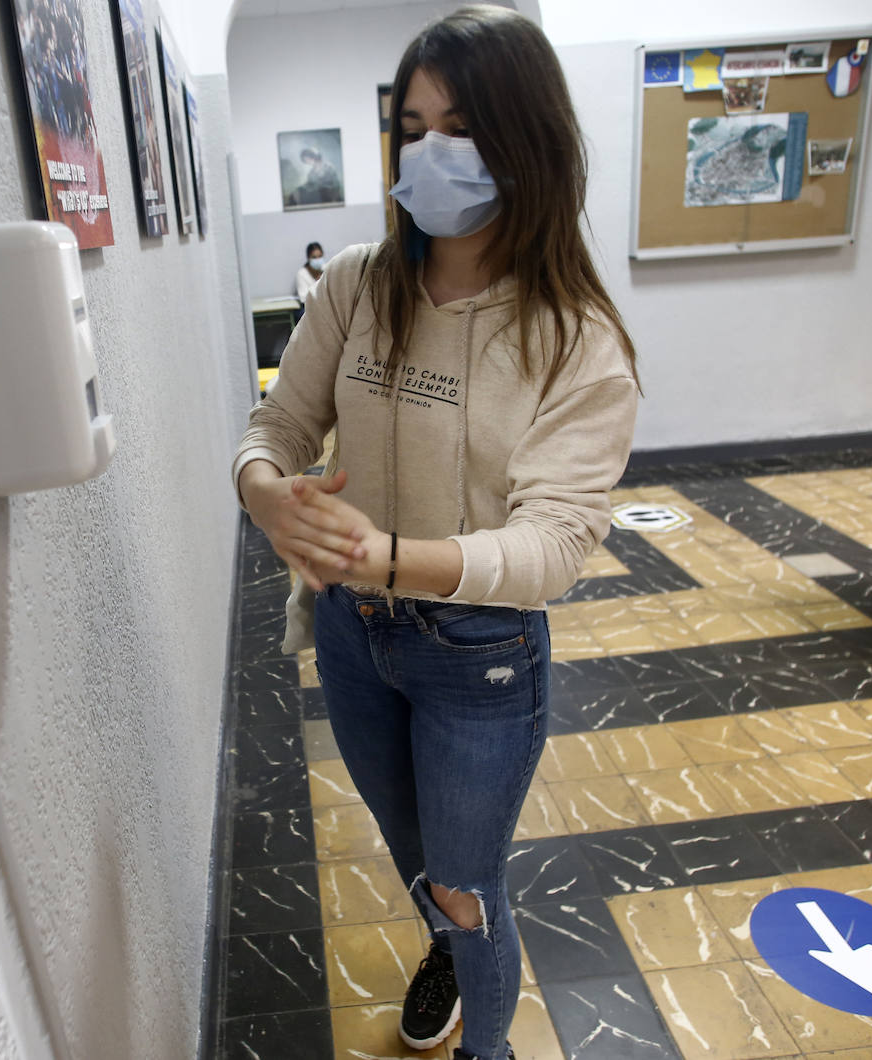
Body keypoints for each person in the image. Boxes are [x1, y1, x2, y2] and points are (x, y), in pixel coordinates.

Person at [231, 8, 639, 1059]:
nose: (431, 152)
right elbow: (277, 422)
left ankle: (484, 1046)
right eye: (412, 127)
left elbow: (552, 548)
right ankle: (447, 951)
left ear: (526, 138)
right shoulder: (362, 283)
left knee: (466, 884)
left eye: (460, 126)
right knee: (420, 863)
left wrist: (390, 556)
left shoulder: (574, 338)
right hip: (356, 637)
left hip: (480, 660)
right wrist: (265, 491)